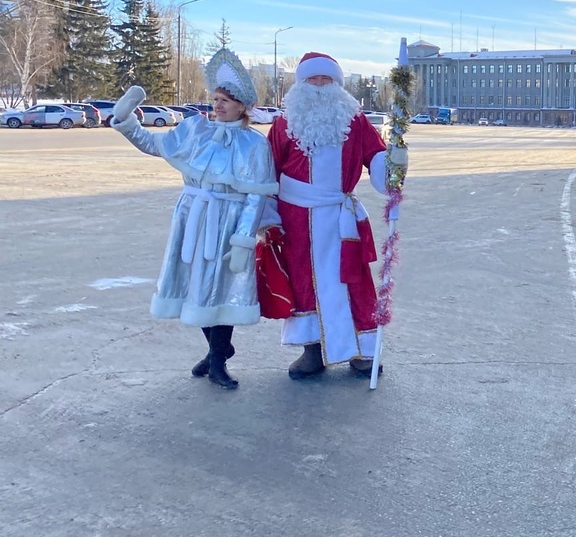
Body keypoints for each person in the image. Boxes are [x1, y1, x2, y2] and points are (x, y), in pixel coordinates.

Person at [111, 48, 277, 390]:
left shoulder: (255, 145)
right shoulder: (194, 131)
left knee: (221, 287)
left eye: (226, 101)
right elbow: (152, 144)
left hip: (228, 222)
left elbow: (256, 195)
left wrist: (244, 239)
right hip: (192, 218)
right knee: (193, 285)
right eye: (216, 99)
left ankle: (217, 362)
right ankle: (219, 349)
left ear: (242, 105)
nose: (218, 105)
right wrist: (126, 120)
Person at [269, 52, 408, 379]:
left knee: (352, 280)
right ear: (300, 84)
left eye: (325, 79)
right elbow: (268, 170)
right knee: (304, 284)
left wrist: (393, 162)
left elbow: (375, 158)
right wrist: (266, 216)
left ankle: (361, 349)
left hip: (339, 216)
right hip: (296, 220)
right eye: (311, 79)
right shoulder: (283, 124)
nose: (318, 86)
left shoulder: (355, 121)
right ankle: (312, 350)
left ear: (337, 84)